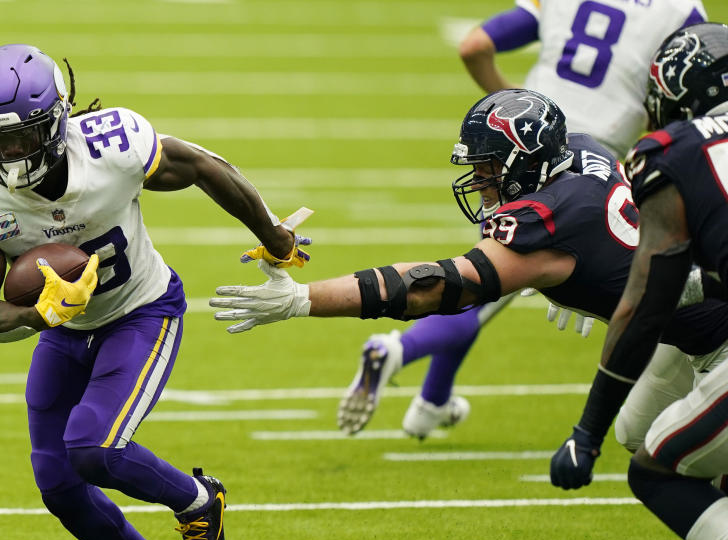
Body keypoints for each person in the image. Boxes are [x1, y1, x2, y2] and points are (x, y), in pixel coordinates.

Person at [0, 44, 308, 540]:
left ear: (58, 119)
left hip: (141, 311)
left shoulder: (113, 146)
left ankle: (198, 502)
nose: (10, 153)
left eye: (24, 136)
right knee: (57, 481)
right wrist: (41, 315)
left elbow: (207, 168)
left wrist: (274, 235)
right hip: (67, 330)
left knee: (94, 447)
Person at [210, 89, 728, 439]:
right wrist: (608, 268)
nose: (479, 182)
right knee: (634, 432)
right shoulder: (584, 149)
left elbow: (435, 288)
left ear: (527, 161)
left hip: (714, 336)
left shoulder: (546, 219)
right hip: (681, 322)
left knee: (663, 459)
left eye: (487, 169)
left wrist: (303, 299)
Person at [337, 0, 708, 441]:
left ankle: (431, 399)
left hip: (518, 141)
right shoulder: (680, 9)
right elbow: (690, 93)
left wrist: (508, 102)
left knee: (481, 275)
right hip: (593, 160)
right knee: (483, 279)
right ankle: (399, 351)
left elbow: (475, 45)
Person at [549, 23, 728, 540]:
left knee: (655, 467)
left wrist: (586, 432)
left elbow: (647, 304)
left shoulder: (673, 153)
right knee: (643, 428)